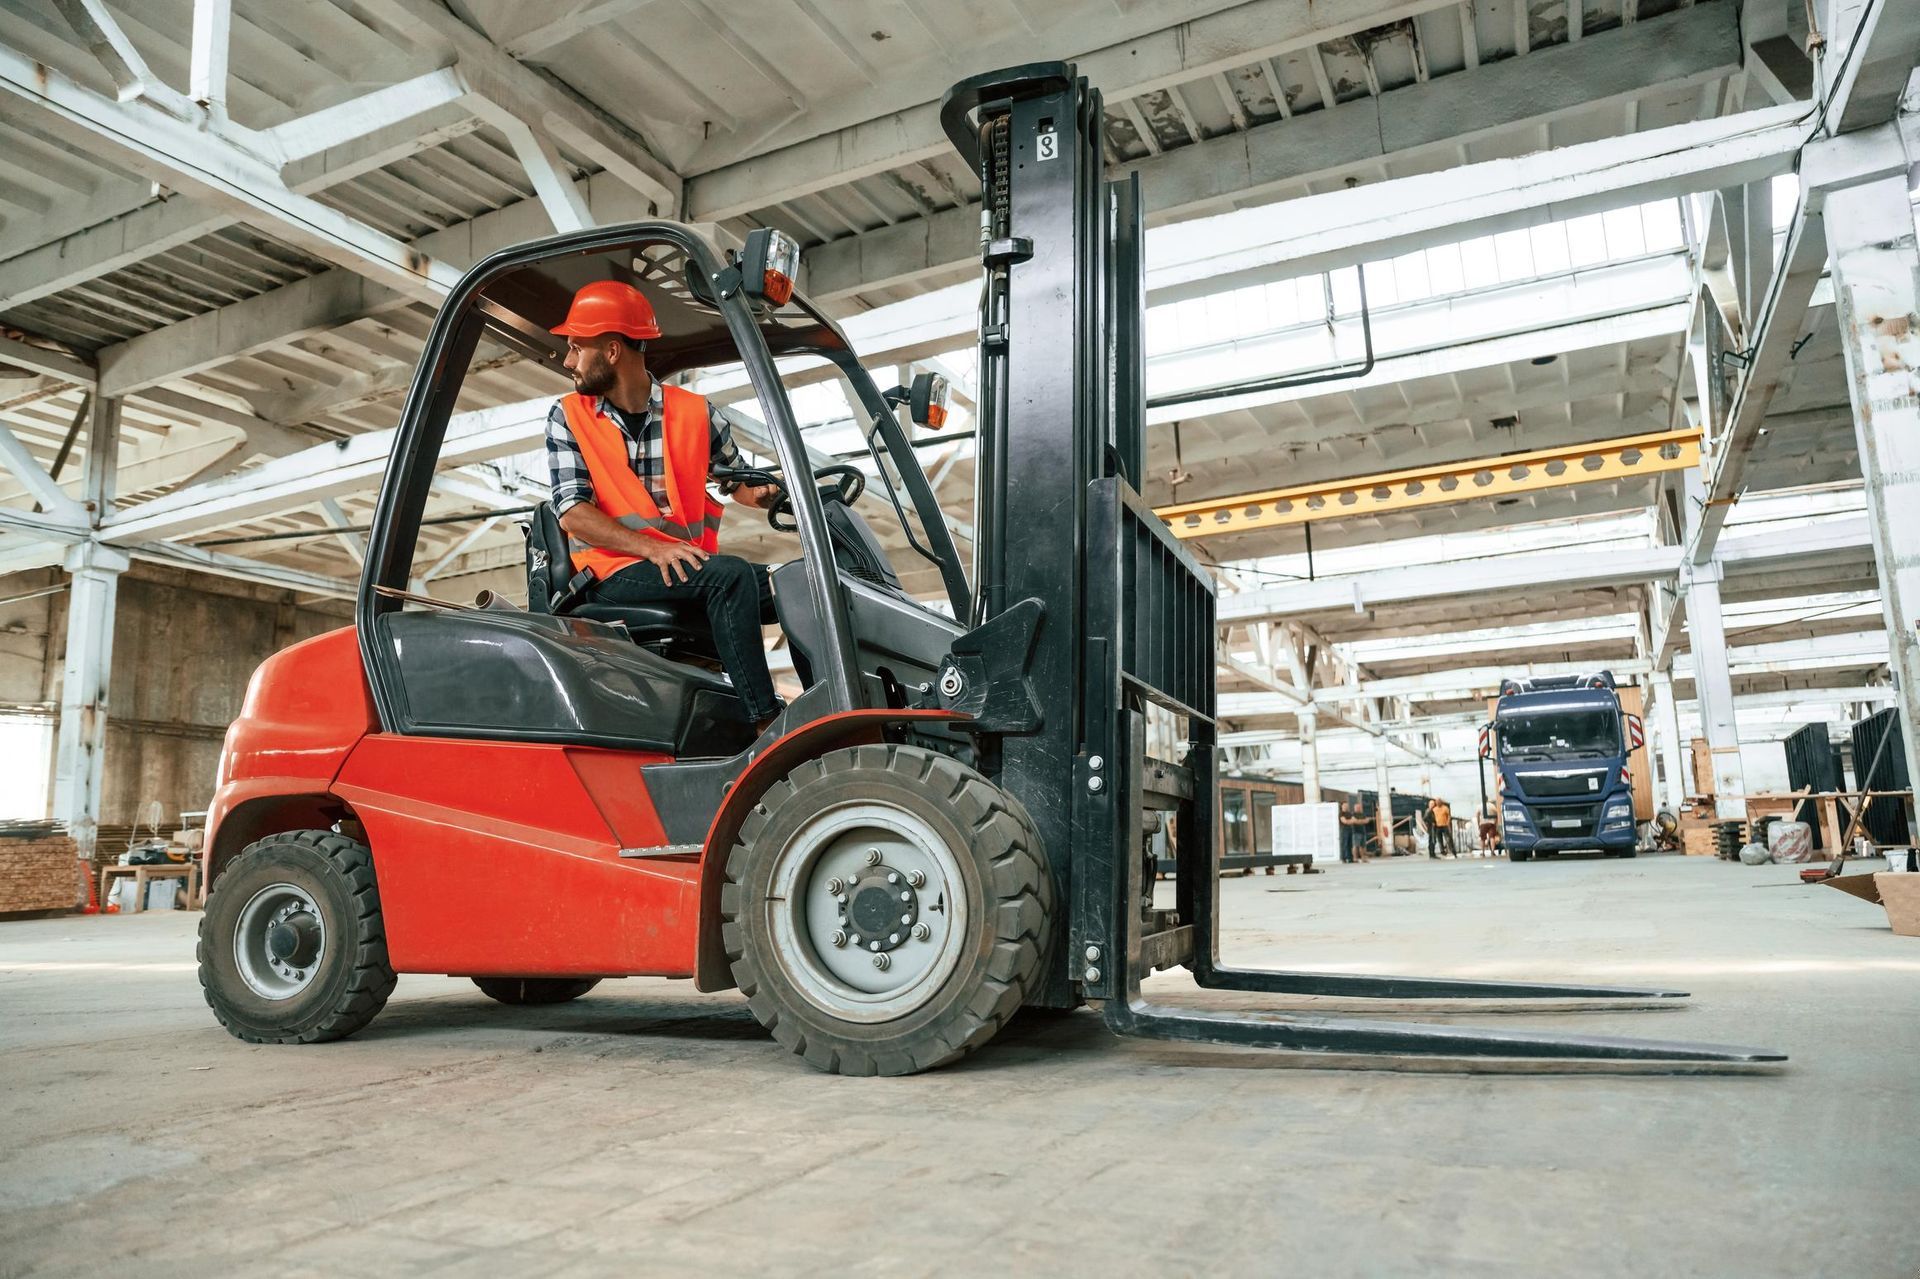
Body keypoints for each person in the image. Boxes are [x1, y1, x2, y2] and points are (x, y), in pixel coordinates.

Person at [544, 280, 787, 730]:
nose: (568, 361)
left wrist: (765, 493)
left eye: (576, 348)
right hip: (611, 570)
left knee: (800, 585)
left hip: (682, 565)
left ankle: (829, 711)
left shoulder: (696, 413)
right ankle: (767, 724)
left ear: (612, 351)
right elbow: (572, 511)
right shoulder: (568, 417)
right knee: (731, 577)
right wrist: (653, 548)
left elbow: (737, 483)